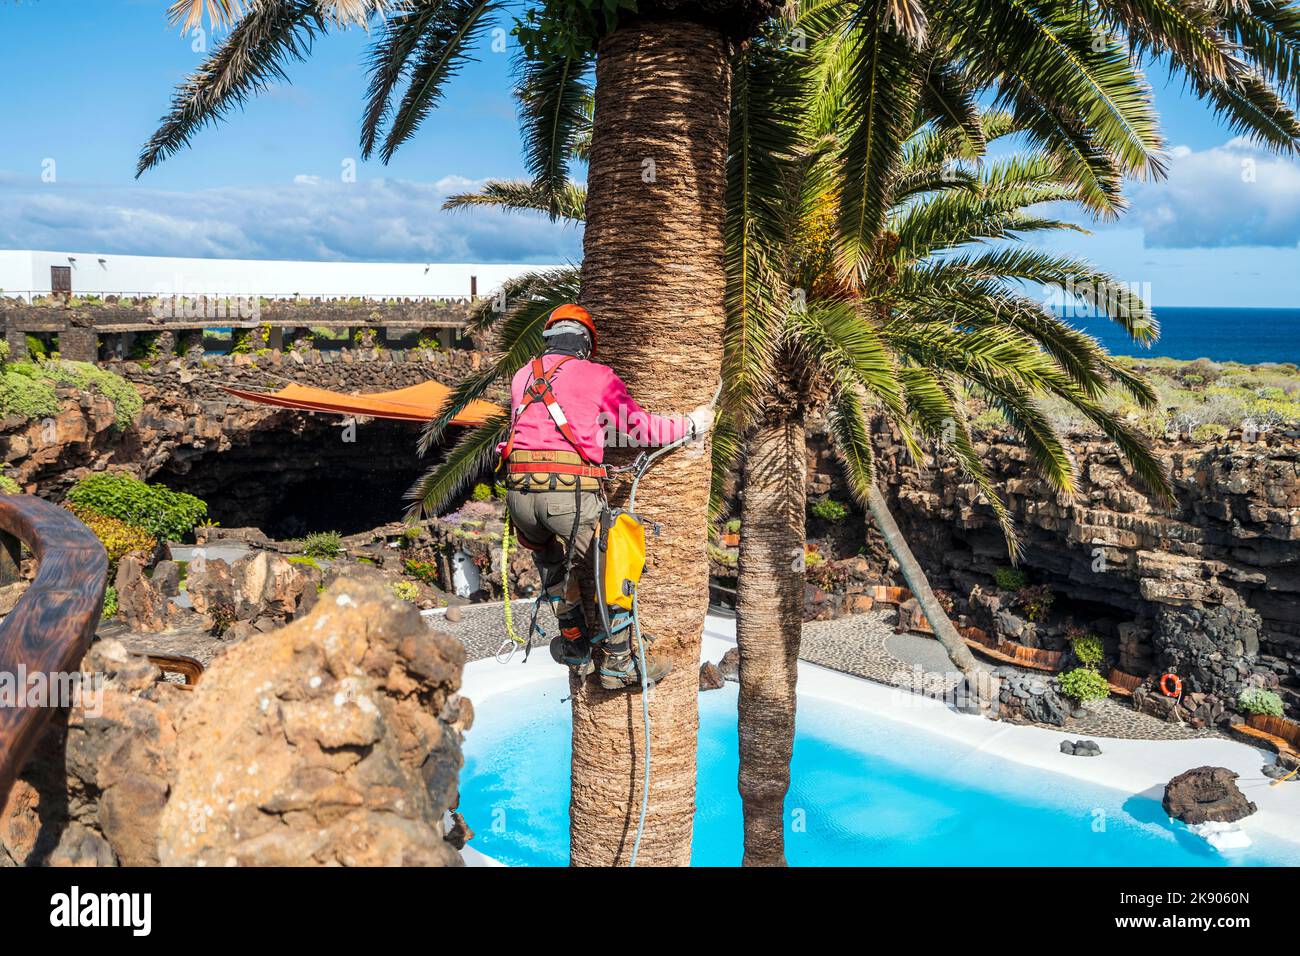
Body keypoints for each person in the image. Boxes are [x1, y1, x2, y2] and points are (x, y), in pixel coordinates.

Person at [499, 303, 710, 690]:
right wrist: (692, 424)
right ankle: (617, 663)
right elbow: (641, 429)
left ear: (547, 339)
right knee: (611, 564)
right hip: (568, 496)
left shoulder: (521, 376)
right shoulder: (597, 376)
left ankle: (575, 645)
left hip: (519, 498)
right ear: (586, 344)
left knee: (554, 569)